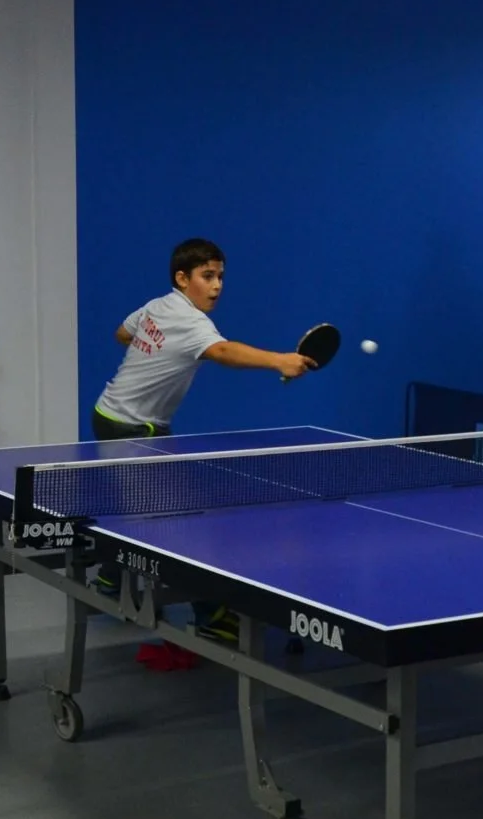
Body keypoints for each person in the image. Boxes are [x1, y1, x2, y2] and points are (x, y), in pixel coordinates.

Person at [92, 238, 316, 638]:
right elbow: (224, 352)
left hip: (113, 416)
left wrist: (153, 353)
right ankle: (211, 616)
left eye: (220, 277)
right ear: (182, 278)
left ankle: (110, 578)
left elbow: (122, 334)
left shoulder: (157, 306)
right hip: (131, 427)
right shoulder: (191, 322)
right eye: (207, 276)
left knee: (144, 509)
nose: (216, 286)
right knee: (180, 521)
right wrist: (279, 361)